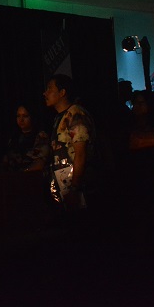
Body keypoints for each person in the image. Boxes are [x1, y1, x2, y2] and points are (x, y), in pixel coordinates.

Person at [43, 74, 96, 213]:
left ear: (62, 92)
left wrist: (74, 189)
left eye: (49, 89)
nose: (45, 93)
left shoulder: (75, 113)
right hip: (63, 185)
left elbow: (81, 153)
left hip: (80, 187)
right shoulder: (59, 118)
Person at [0, 103, 50, 172]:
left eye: (25, 116)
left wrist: (24, 173)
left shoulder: (40, 136)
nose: (21, 120)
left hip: (30, 177)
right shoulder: (14, 137)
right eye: (18, 116)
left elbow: (40, 162)